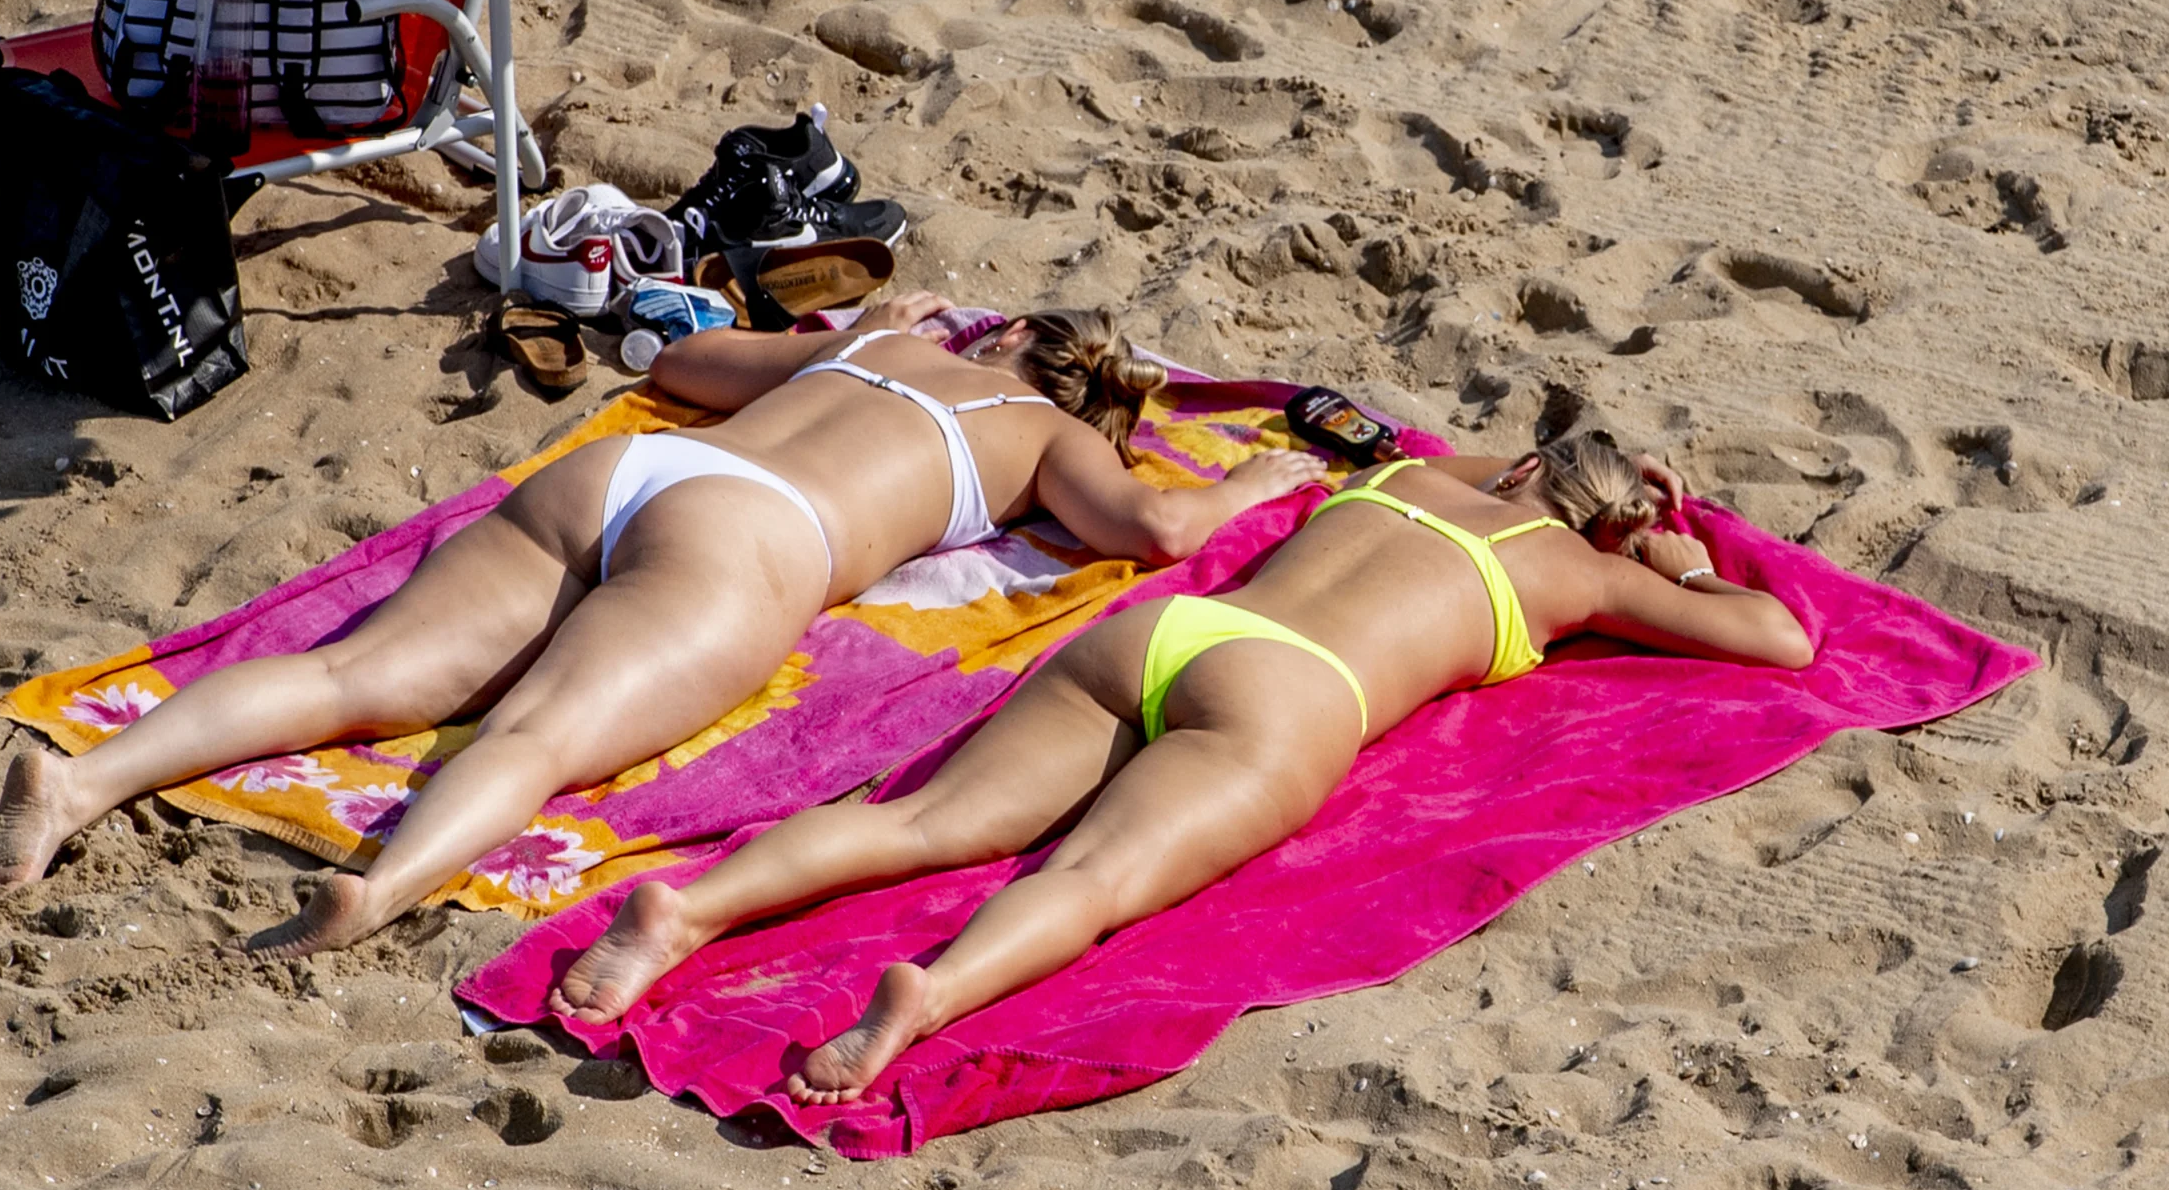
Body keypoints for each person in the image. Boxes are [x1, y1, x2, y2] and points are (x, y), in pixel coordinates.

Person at [0, 294, 1324, 954]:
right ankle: (376, 892)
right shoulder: (1045, 437)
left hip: (634, 470)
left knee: (350, 674)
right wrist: (1251, 484)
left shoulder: (876, 345)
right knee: (538, 737)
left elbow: (679, 365)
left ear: (1001, 331)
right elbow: (1153, 530)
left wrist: (861, 324)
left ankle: (81, 782)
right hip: (754, 540)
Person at [555, 427, 1814, 1099]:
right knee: (1091, 881)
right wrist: (1686, 556)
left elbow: (1487, 456)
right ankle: (924, 1000)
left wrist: (1547, 461)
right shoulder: (1579, 574)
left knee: (926, 820)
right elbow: (1781, 639)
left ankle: (684, 914)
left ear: (1525, 466)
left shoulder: (1411, 476)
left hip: (1174, 631)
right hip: (1293, 695)